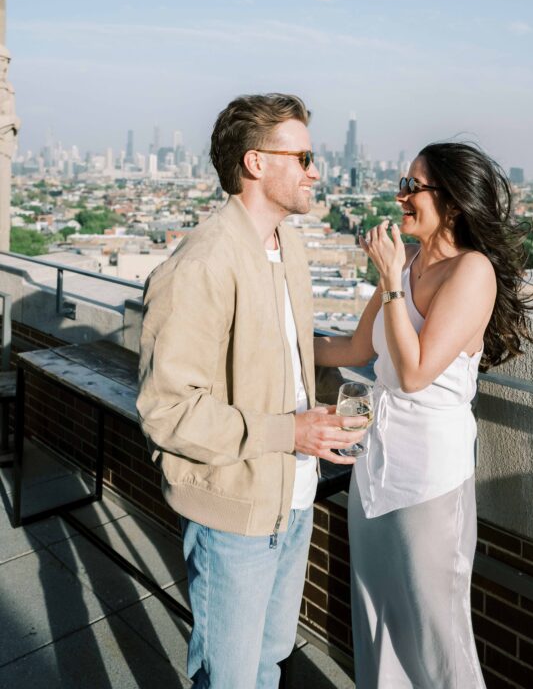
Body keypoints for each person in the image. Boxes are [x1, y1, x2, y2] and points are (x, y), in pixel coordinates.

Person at [137, 93, 365, 689]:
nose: (316, 170)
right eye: (304, 156)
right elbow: (166, 410)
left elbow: (279, 363)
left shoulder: (286, 244)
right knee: (231, 677)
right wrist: (289, 430)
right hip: (234, 510)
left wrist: (306, 418)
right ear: (256, 163)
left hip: (292, 495)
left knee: (268, 662)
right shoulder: (205, 261)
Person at [315, 142, 533, 689]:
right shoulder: (412, 263)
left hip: (430, 478)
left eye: (413, 185)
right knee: (377, 616)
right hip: (375, 468)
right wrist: (277, 339)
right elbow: (354, 349)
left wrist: (392, 278)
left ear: (454, 201)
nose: (401, 195)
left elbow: (415, 372)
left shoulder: (473, 271)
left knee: (436, 634)